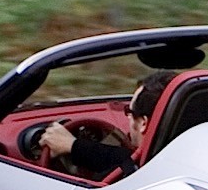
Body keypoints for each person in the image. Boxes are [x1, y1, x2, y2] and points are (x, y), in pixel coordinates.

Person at [40, 69, 175, 179]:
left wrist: (73, 146)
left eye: (129, 111)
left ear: (143, 123)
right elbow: (120, 157)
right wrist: (75, 146)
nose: (127, 116)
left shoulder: (136, 176)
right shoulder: (178, 158)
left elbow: (125, 163)